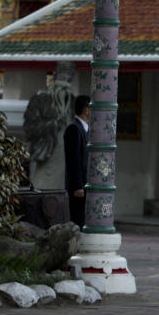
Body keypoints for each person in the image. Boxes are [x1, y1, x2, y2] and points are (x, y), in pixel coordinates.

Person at [63, 94, 90, 227]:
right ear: (86, 110)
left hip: (85, 184)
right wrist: (78, 186)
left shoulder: (85, 129)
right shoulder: (74, 129)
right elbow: (74, 160)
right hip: (78, 187)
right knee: (78, 220)